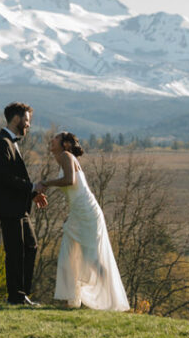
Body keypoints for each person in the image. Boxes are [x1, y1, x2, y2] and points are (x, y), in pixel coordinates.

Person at [37, 131, 129, 311]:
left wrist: (46, 183)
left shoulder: (65, 156)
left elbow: (69, 181)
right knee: (69, 254)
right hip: (77, 214)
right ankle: (71, 301)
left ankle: (112, 299)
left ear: (65, 144)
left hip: (86, 213)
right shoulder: (63, 158)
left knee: (91, 259)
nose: (51, 140)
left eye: (55, 138)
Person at [0, 102, 47, 306]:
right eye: (27, 120)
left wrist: (32, 195)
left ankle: (21, 294)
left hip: (18, 207)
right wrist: (32, 187)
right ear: (16, 119)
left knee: (30, 246)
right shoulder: (1, 144)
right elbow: (4, 178)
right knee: (15, 252)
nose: (28, 125)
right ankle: (16, 297)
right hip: (8, 208)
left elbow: (12, 177)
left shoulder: (10, 143)